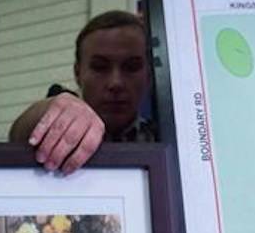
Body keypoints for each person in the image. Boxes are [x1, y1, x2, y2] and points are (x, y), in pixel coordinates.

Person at [9, 10, 155, 175]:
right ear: (78, 73)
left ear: (149, 75)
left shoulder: (169, 138)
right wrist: (55, 110)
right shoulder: (59, 112)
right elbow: (20, 131)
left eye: (131, 67)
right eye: (100, 67)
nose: (116, 83)